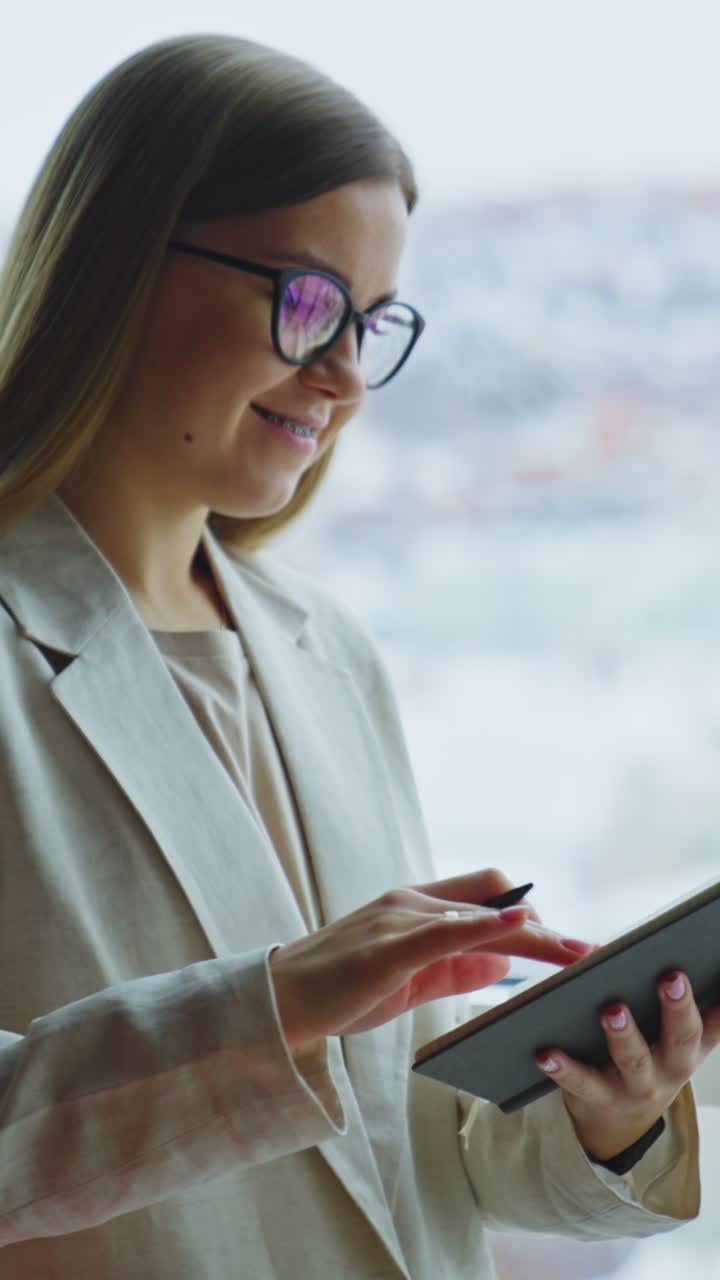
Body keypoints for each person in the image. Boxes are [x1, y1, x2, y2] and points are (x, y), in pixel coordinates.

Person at [0, 34, 717, 1280]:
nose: (342, 376)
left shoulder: (326, 650)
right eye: (305, 298)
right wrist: (275, 1004)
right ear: (119, 263)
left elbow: (412, 1148)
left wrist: (606, 1114)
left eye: (369, 320)